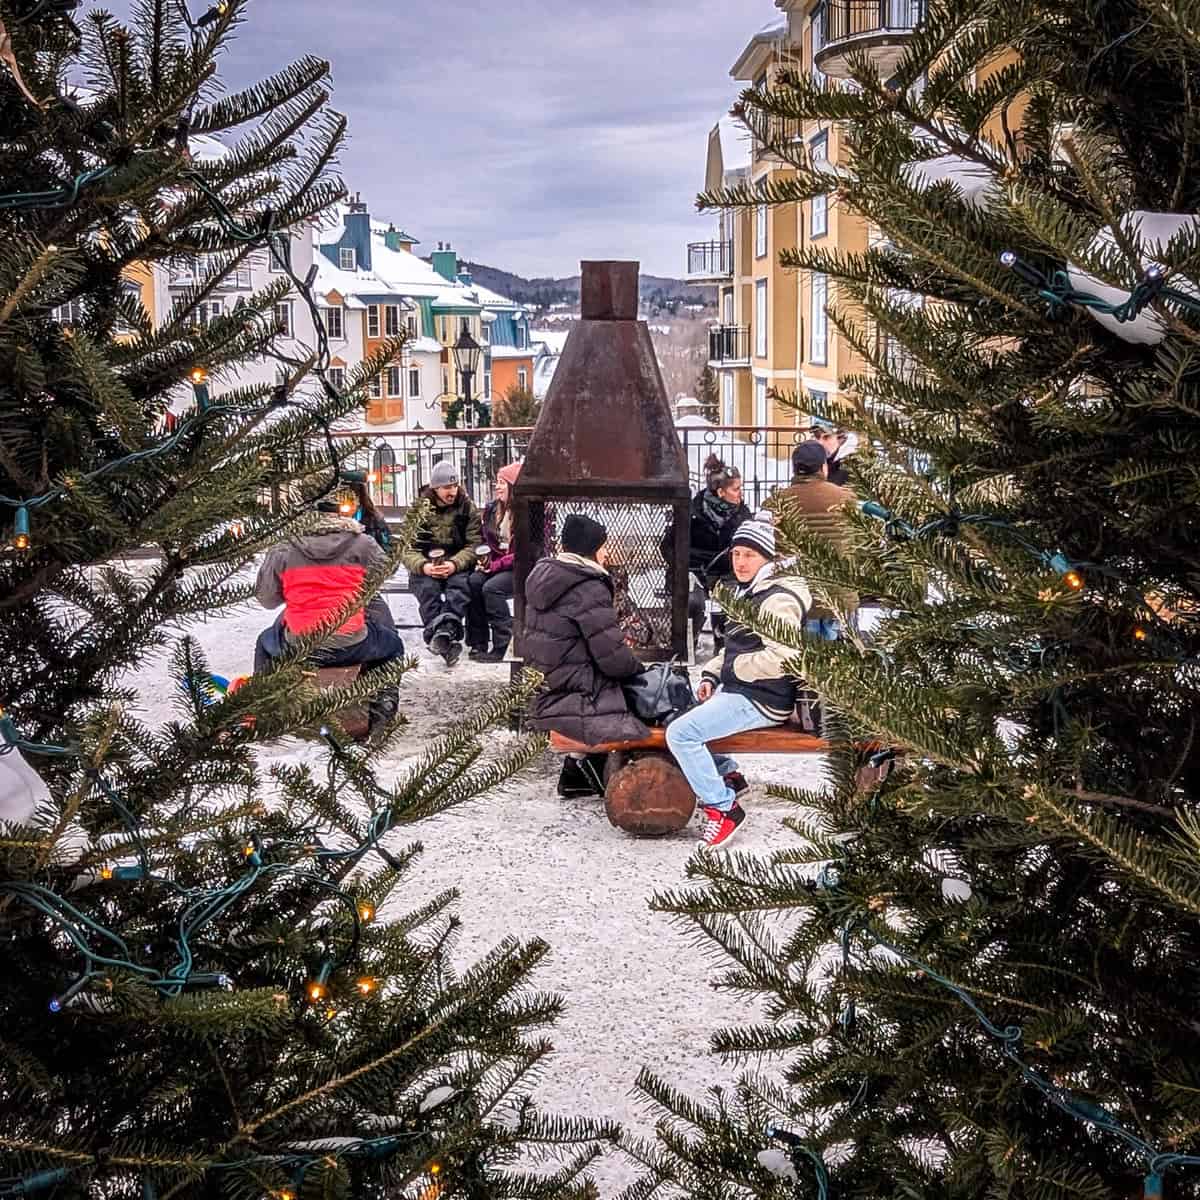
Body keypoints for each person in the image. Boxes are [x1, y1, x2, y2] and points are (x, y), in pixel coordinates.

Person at [665, 518, 811, 848]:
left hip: (764, 698)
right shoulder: (753, 590)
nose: (741, 562)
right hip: (743, 689)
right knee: (680, 712)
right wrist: (712, 674)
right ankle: (728, 774)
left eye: (750, 555)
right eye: (737, 554)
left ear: (768, 558)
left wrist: (736, 671)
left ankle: (723, 808)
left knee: (681, 734)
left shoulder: (776, 599)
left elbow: (786, 657)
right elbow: (735, 647)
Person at [253, 498, 405, 735]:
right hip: (352, 643)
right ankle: (383, 703)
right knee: (392, 645)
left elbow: (267, 599)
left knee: (264, 642)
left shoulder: (284, 548)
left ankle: (263, 708)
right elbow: (382, 575)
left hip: (300, 645)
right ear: (340, 514)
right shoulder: (362, 543)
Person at [522, 513, 648, 755]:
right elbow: (613, 660)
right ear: (591, 549)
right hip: (580, 690)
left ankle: (576, 769)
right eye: (603, 547)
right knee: (648, 701)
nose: (606, 554)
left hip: (550, 684)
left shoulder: (545, 578)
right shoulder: (588, 587)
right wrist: (638, 670)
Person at [769, 440, 858, 641]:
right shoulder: (846, 498)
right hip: (840, 597)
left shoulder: (778, 502)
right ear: (823, 467)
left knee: (804, 664)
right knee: (845, 665)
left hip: (799, 599)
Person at [400, 460, 481, 668]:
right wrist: (423, 566)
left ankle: (441, 635)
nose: (451, 491)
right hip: (426, 563)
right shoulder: (419, 510)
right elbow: (407, 548)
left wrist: (455, 564)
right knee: (427, 590)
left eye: (454, 486)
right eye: (446, 487)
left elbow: (474, 544)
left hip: (457, 562)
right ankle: (446, 638)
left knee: (460, 588)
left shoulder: (466, 507)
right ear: (435, 488)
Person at [467, 461, 520, 662]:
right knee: (474, 581)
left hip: (519, 567)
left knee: (492, 588)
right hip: (495, 563)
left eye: (502, 483)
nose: (497, 487)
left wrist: (494, 566)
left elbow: (522, 553)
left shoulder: (525, 512)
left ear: (513, 486)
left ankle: (502, 643)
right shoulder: (492, 510)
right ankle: (478, 641)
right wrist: (484, 560)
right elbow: (484, 538)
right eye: (496, 482)